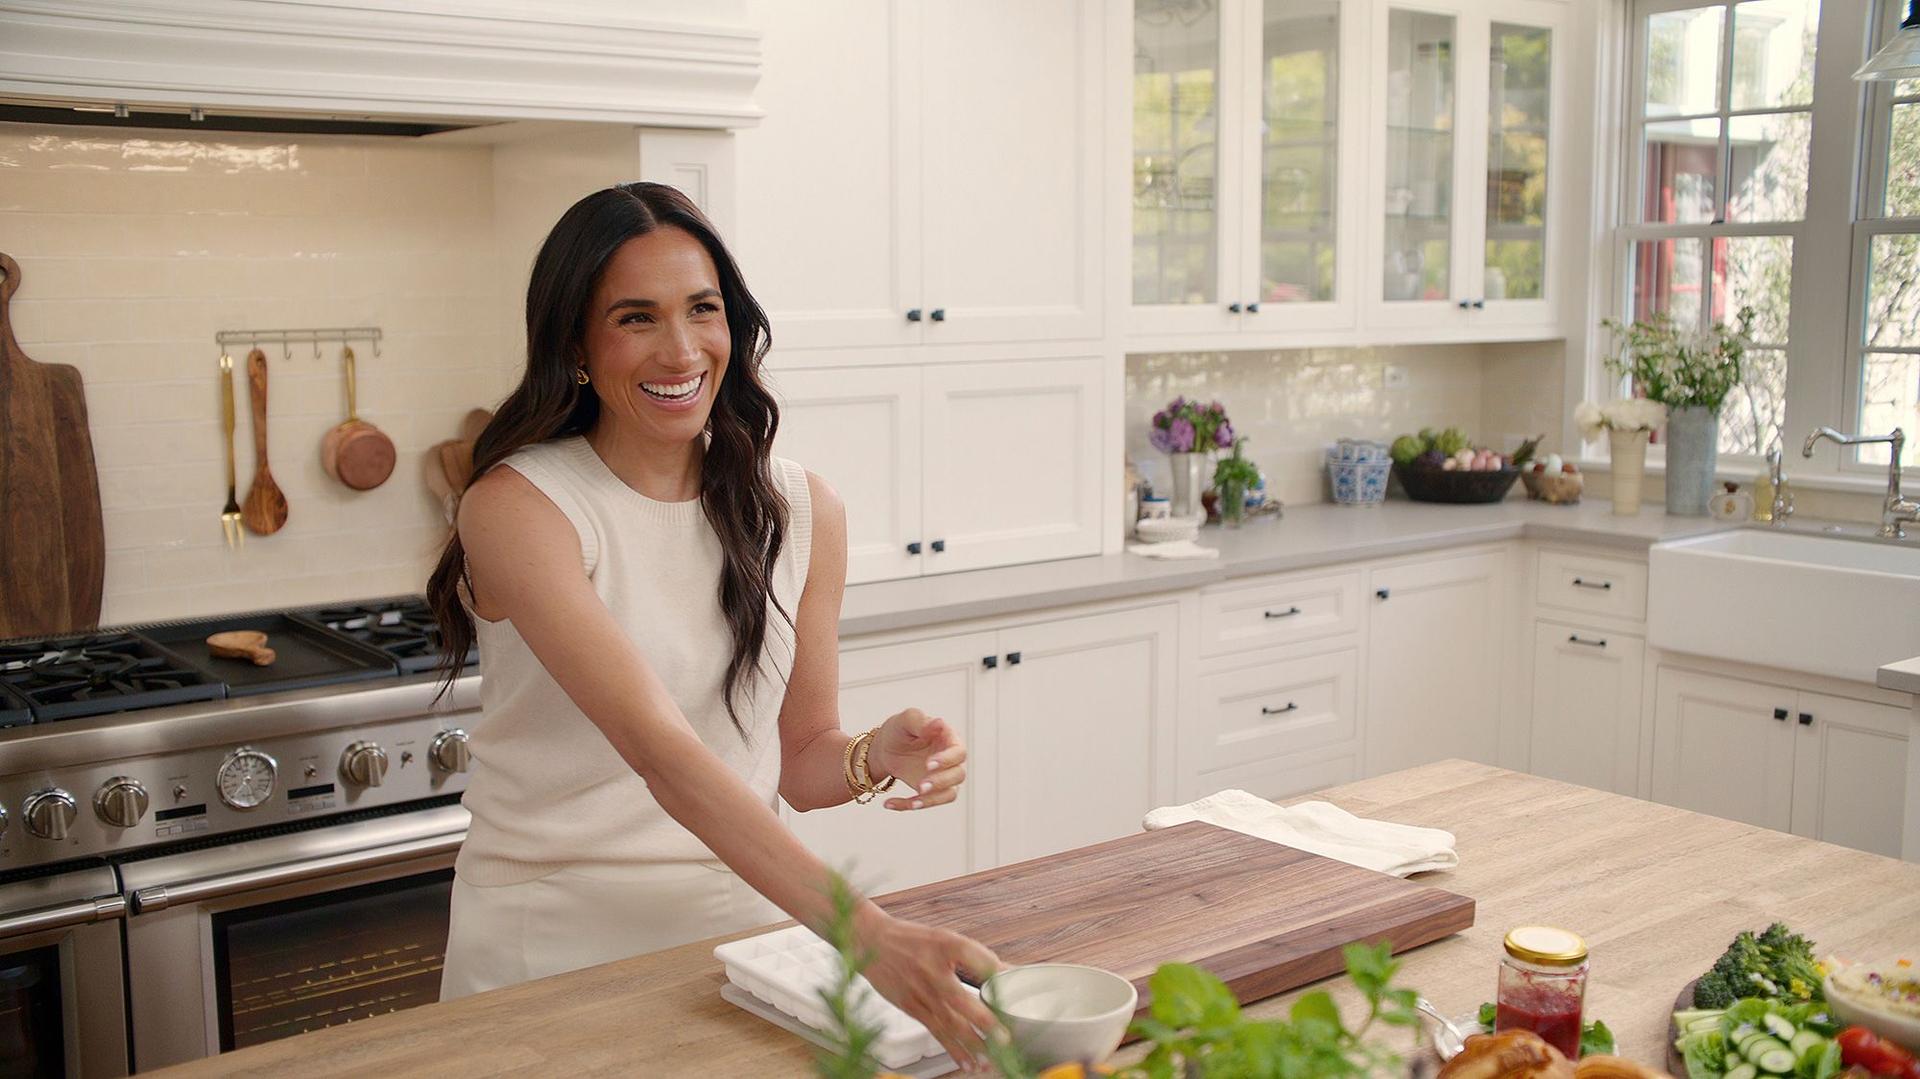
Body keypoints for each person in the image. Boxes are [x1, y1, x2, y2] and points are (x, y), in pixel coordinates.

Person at [425, 183, 1000, 1067]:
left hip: (743, 939)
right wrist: (871, 934)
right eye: (636, 318)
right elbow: (664, 756)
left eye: (704, 309)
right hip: (548, 942)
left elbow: (798, 762)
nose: (683, 348)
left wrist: (875, 753)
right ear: (576, 343)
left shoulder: (802, 507)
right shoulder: (519, 509)